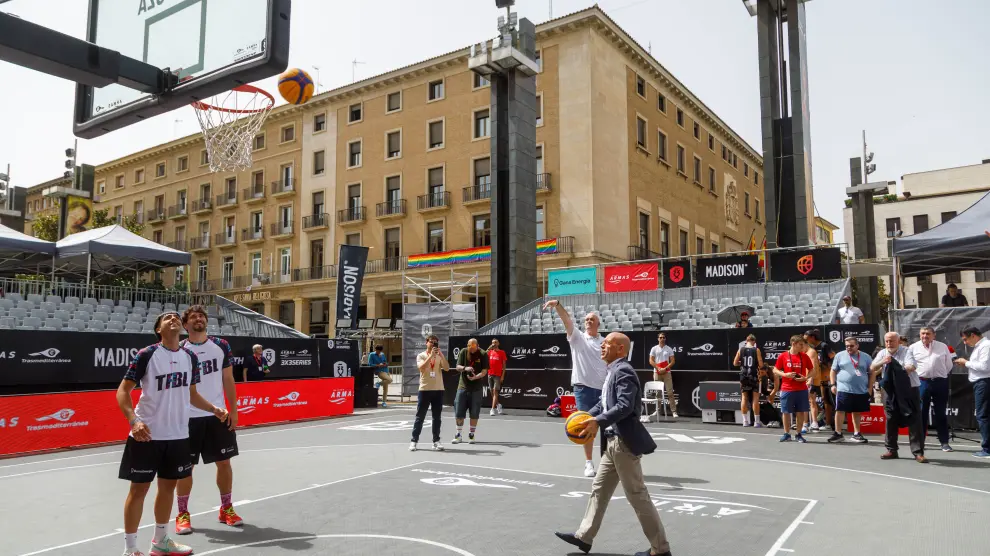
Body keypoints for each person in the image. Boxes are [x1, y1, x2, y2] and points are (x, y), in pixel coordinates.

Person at [116, 311, 229, 556]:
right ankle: (130, 548)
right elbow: (122, 392)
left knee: (167, 489)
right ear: (159, 329)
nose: (173, 319)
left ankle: (160, 541)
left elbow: (192, 394)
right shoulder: (147, 355)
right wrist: (134, 421)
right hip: (146, 435)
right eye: (167, 318)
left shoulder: (189, 357)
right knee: (138, 491)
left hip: (178, 435)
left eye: (176, 317)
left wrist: (213, 409)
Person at [554, 332, 671, 556]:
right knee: (599, 489)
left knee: (637, 495)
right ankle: (584, 537)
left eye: (606, 343)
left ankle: (661, 549)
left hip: (623, 443)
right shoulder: (612, 371)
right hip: (612, 443)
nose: (602, 346)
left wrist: (597, 421)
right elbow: (603, 404)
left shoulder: (623, 371)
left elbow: (625, 406)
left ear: (620, 349)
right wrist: (586, 418)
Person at [175, 306, 241, 536]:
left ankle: (226, 508)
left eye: (201, 316)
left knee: (224, 463)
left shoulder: (221, 345)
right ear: (185, 325)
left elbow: (228, 379)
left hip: (218, 415)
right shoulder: (180, 349)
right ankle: (182, 514)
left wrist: (233, 410)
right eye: (193, 317)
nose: (199, 319)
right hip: (188, 417)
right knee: (185, 468)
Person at [544, 299, 607, 478]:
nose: (588, 321)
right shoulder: (578, 337)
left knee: (607, 427)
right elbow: (567, 321)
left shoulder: (605, 341)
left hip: (603, 390)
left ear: (598, 324)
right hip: (584, 389)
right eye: (586, 319)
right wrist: (557, 305)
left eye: (591, 319)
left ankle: (607, 462)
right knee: (586, 426)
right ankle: (589, 463)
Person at [872, 332, 927, 463]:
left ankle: (918, 452)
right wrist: (883, 361)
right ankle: (891, 450)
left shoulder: (907, 351)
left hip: (909, 389)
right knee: (890, 419)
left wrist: (900, 370)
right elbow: (872, 367)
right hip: (890, 391)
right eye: (887, 341)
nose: (889, 344)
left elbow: (911, 366)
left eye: (892, 341)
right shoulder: (883, 352)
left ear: (898, 341)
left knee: (914, 419)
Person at [908, 327, 954, 452]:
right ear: (920, 334)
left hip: (940, 382)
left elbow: (949, 365)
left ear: (934, 335)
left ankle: (944, 442)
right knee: (921, 413)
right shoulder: (913, 347)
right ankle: (920, 442)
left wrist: (939, 374)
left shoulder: (942, 346)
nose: (925, 336)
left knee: (941, 413)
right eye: (923, 333)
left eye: (928, 334)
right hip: (922, 382)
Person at [828, 337, 874, 444]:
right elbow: (833, 371)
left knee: (857, 412)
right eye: (847, 346)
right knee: (840, 410)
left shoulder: (866, 357)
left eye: (851, 346)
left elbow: (872, 373)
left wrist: (870, 388)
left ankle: (857, 434)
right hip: (843, 388)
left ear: (857, 345)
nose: (849, 348)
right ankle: (838, 433)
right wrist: (833, 384)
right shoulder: (839, 355)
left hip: (861, 389)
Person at [410, 335, 451, 452]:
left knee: (437, 417)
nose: (433, 344)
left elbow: (447, 368)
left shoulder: (439, 356)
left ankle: (436, 441)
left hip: (438, 389)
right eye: (431, 342)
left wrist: (441, 355)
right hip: (425, 389)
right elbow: (421, 368)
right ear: (426, 343)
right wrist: (431, 356)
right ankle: (414, 441)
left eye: (435, 343)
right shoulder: (421, 355)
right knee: (420, 416)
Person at [954, 326, 990, 458]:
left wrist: (966, 363)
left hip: (984, 382)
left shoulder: (986, 345)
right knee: (984, 415)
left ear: (973, 335)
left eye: (965, 339)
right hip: (981, 382)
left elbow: (985, 367)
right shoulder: (981, 346)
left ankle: (987, 449)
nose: (965, 342)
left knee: (982, 415)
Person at [773, 335, 813, 443]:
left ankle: (798, 434)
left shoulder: (804, 356)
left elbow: (812, 370)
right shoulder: (783, 356)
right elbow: (775, 370)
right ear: (794, 344)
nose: (802, 347)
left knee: (800, 412)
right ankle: (786, 434)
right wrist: (785, 374)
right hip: (787, 389)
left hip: (801, 388)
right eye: (800, 345)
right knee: (786, 412)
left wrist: (806, 377)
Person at [454, 338, 489, 444]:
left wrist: (476, 377)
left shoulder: (483, 354)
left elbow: (484, 371)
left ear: (477, 346)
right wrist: (466, 368)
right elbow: (457, 367)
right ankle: (458, 435)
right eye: (469, 346)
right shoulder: (464, 351)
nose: (471, 349)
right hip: (463, 386)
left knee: (474, 413)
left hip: (476, 388)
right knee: (459, 412)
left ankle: (471, 434)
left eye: (473, 347)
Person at [803, 329, 835, 434]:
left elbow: (833, 357)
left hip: (827, 376)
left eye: (807, 339)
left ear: (812, 337)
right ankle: (823, 421)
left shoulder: (824, 345)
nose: (806, 341)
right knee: (822, 400)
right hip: (818, 376)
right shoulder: (811, 349)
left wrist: (827, 366)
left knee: (828, 400)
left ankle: (829, 424)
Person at [734, 334, 765, 427]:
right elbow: (761, 364)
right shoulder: (756, 350)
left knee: (744, 398)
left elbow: (735, 363)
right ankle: (756, 421)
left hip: (744, 376)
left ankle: (745, 421)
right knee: (755, 399)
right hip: (753, 375)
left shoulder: (741, 349)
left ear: (746, 341)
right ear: (754, 341)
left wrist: (742, 363)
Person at [648, 332, 678, 419]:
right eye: (660, 337)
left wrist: (665, 368)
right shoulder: (654, 348)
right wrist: (658, 368)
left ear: (665, 339)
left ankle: (674, 411)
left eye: (663, 337)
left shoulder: (669, 349)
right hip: (657, 372)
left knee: (670, 392)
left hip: (667, 372)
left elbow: (672, 361)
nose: (662, 339)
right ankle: (658, 410)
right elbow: (651, 360)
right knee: (658, 393)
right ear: (658, 339)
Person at [487, 338, 508, 416]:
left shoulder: (502, 352)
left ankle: (492, 409)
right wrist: (489, 348)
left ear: (498, 343)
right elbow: (483, 356)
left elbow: (504, 366)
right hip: (489, 374)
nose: (494, 344)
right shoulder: (490, 352)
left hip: (498, 375)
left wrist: (502, 376)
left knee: (495, 392)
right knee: (492, 392)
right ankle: (498, 404)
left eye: (495, 342)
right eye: (492, 342)